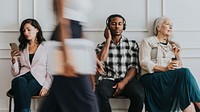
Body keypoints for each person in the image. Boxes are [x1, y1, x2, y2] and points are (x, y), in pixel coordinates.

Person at [39, 0, 99, 112]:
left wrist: (92, 57)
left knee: (56, 100)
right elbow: (62, 21)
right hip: (65, 41)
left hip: (77, 42)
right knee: (88, 104)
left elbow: (81, 27)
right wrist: (67, 59)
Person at [139, 16, 200, 112]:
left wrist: (178, 56)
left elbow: (177, 68)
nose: (170, 27)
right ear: (158, 27)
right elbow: (144, 61)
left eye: (172, 25)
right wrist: (164, 69)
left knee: (184, 88)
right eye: (167, 24)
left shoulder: (173, 45)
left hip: (168, 79)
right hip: (151, 78)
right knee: (185, 73)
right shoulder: (148, 41)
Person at [95, 14, 144, 112]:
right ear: (108, 27)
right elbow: (101, 61)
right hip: (108, 79)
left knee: (139, 96)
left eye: (120, 24)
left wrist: (123, 83)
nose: (117, 26)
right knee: (99, 93)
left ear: (123, 26)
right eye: (113, 24)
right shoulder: (101, 46)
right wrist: (108, 40)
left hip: (127, 79)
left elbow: (134, 67)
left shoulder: (132, 44)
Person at [10, 18, 52, 112]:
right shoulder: (22, 48)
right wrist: (14, 61)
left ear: (37, 29)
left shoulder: (46, 47)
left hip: (37, 79)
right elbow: (15, 73)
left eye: (29, 29)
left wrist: (46, 87)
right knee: (20, 81)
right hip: (22, 76)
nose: (26, 32)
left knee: (20, 92)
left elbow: (50, 70)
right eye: (24, 30)